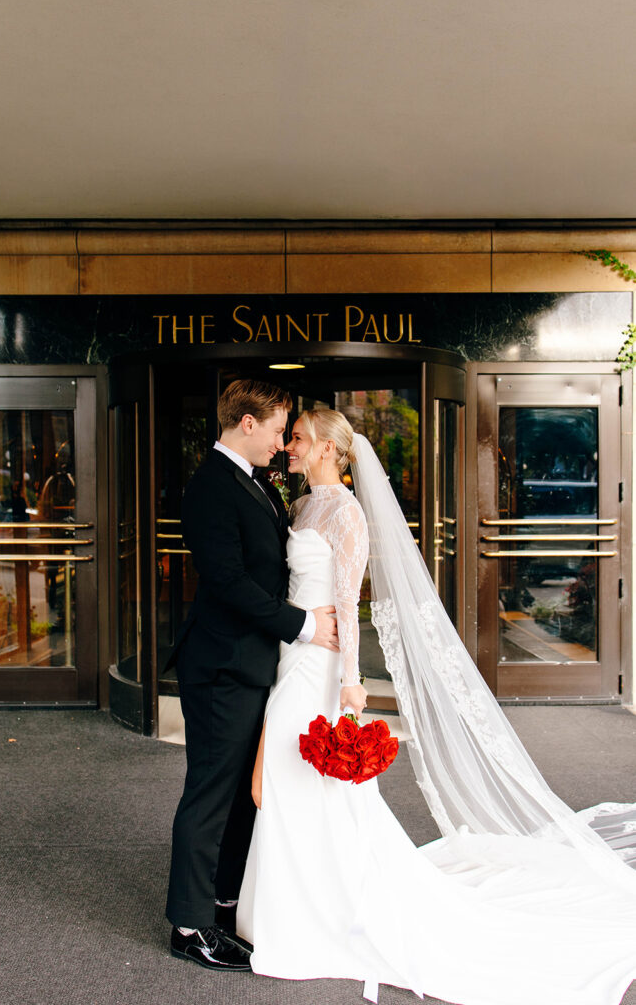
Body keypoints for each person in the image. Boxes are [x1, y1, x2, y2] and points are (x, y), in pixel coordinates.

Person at [237, 408, 636, 1005]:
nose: (288, 446)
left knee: (301, 778)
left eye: (296, 438)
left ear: (325, 447)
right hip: (291, 654)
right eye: (288, 437)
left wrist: (352, 684)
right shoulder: (301, 507)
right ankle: (293, 903)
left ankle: (316, 911)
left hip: (321, 669)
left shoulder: (347, 513)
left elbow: (349, 603)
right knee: (290, 782)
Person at [165, 380, 339, 972]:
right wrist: (305, 628)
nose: (279, 442)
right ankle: (189, 927)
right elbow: (229, 583)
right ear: (245, 422)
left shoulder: (253, 481)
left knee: (241, 790)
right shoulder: (212, 485)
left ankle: (220, 900)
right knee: (210, 793)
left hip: (249, 662)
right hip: (220, 665)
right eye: (275, 430)